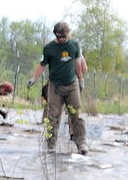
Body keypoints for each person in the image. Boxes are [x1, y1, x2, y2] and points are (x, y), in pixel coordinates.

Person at [26, 21, 87, 154]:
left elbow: (77, 62)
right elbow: (42, 65)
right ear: (55, 35)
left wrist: (81, 78)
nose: (61, 40)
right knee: (52, 115)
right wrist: (34, 78)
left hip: (72, 85)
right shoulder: (49, 48)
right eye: (58, 37)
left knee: (76, 114)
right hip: (55, 87)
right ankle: (51, 145)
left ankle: (81, 144)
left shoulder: (74, 45)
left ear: (67, 34)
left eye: (63, 37)